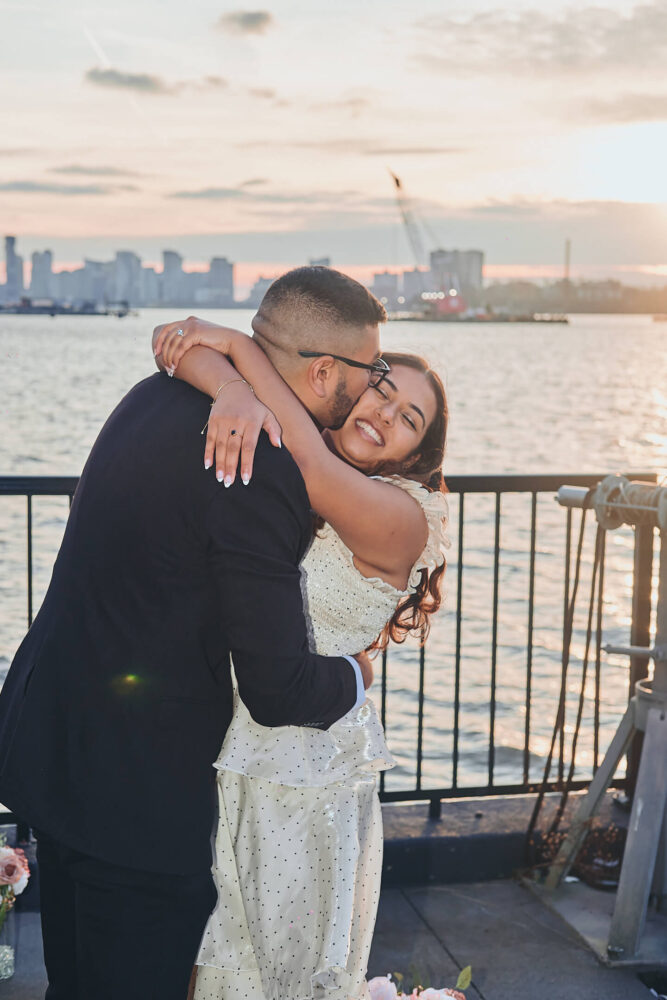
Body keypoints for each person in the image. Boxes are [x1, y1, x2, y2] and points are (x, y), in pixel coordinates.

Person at [0, 267, 387, 1000]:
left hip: (54, 745)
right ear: (326, 369)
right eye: (373, 371)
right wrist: (357, 673)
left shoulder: (152, 396)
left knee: (72, 983)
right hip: (137, 798)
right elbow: (277, 689)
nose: (373, 388)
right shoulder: (259, 464)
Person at [151, 308, 449, 1000]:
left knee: (276, 970)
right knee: (203, 959)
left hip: (302, 770)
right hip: (217, 747)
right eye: (382, 391)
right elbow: (170, 347)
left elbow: (312, 462)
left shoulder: (403, 515)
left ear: (415, 451)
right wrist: (230, 386)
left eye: (409, 419)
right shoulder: (279, 447)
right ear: (349, 383)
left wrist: (233, 347)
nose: (385, 415)